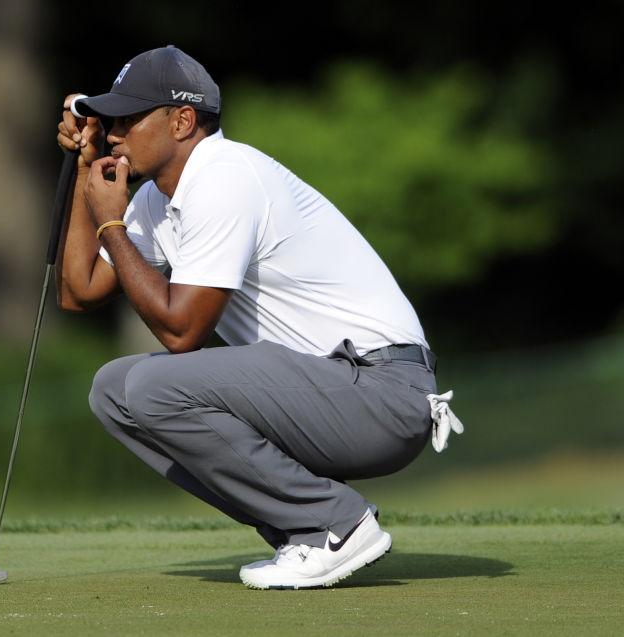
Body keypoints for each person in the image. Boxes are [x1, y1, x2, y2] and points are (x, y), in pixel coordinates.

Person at [56, 45, 463, 589]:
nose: (112, 132)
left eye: (128, 118)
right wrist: (88, 179)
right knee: (113, 388)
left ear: (183, 120)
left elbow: (182, 333)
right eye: (109, 120)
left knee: (153, 386)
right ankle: (306, 529)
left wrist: (112, 225)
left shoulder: (224, 176)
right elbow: (78, 293)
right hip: (326, 389)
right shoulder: (157, 198)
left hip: (382, 390)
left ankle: (333, 524)